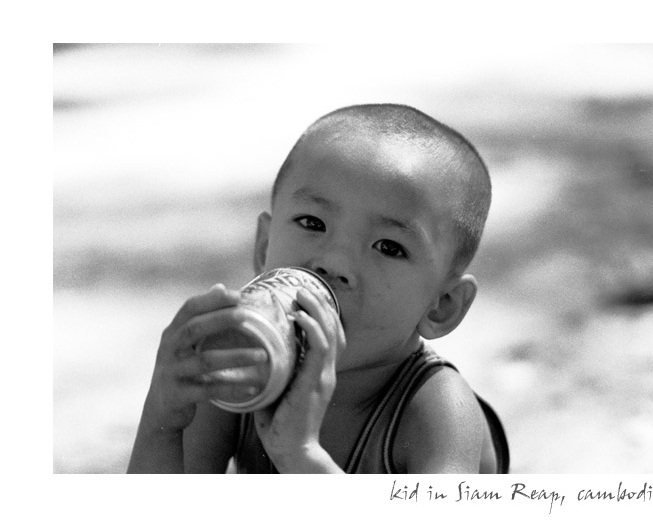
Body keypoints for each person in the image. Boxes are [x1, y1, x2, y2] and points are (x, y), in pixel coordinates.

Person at [128, 103, 509, 474]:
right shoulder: (239, 367)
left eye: (389, 247)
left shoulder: (437, 409)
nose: (334, 263)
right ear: (264, 248)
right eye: (312, 222)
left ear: (441, 306)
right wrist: (162, 421)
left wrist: (302, 457)